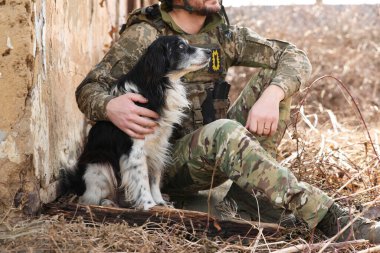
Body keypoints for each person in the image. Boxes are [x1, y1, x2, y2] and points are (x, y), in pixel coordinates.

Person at [75, 0, 380, 243]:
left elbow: (293, 57)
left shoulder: (223, 34)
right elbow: (89, 89)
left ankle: (246, 202)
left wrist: (271, 96)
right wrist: (109, 105)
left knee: (273, 82)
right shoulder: (145, 35)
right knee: (224, 132)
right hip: (165, 160)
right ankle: (329, 217)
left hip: (214, 148)